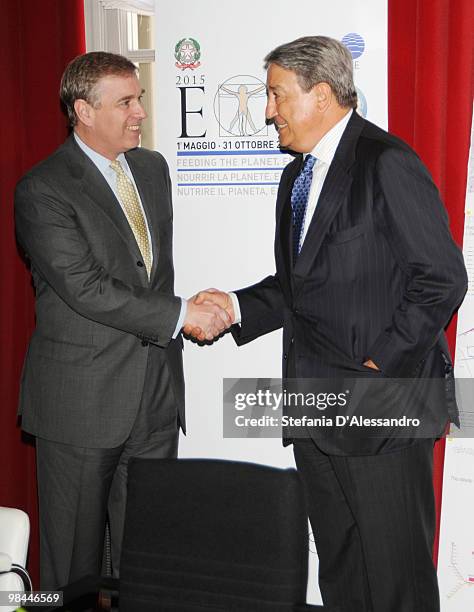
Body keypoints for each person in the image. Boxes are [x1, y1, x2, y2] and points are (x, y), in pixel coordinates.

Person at [185, 36, 468, 611]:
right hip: (313, 408)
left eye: (275, 94)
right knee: (341, 574)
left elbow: (441, 278)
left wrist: (376, 365)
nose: (268, 110)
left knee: (397, 584)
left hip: (382, 408)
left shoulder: (386, 162)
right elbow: (302, 287)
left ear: (320, 94)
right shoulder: (298, 178)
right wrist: (235, 307)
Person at [15, 51, 230, 589]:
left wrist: (187, 308)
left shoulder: (153, 169)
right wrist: (183, 314)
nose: (140, 112)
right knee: (71, 572)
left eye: (139, 99)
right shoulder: (43, 189)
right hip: (81, 403)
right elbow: (85, 286)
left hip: (155, 397)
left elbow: (148, 274)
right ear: (84, 111)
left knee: (148, 557)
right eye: (126, 102)